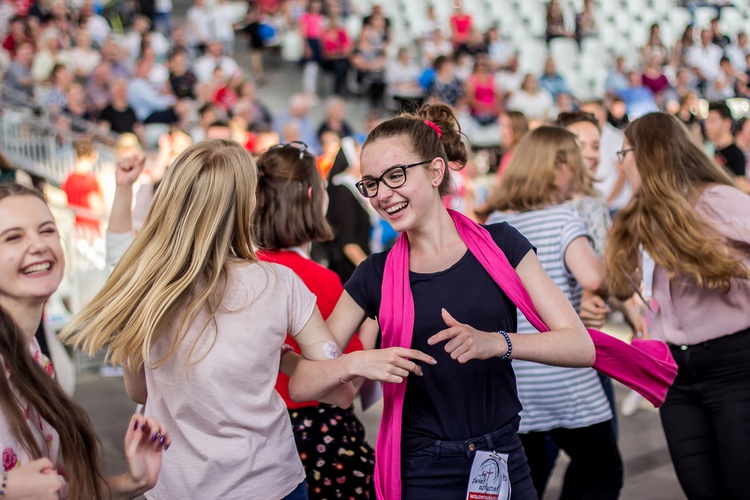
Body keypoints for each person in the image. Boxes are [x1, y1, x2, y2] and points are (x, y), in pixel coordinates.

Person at [321, 103, 597, 499]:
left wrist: (497, 342)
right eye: (371, 183)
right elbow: (308, 381)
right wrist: (356, 361)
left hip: (501, 457)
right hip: (422, 470)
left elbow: (579, 345)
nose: (382, 195)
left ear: (436, 171)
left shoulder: (503, 244)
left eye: (395, 176)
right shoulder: (375, 273)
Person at [62, 140, 360, 499]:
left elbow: (139, 391)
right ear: (246, 204)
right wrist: (297, 355)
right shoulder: (279, 283)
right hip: (268, 483)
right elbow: (338, 389)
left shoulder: (142, 284)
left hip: (173, 483)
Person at [604, 112, 750, 500]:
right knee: (700, 491)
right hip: (675, 376)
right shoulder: (643, 215)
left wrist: (727, 266)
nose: (621, 163)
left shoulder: (717, 200)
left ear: (648, 153)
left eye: (624, 153)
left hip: (734, 368)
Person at [0, 182, 169, 500]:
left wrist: (132, 482)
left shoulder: (33, 357)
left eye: (47, 230)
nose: (38, 245)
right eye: (13, 237)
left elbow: (52, 491)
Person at [484, 126, 623, 499]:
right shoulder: (563, 217)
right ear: (556, 167)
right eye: (574, 167)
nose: (578, 176)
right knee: (602, 471)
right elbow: (594, 275)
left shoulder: (495, 221)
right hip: (566, 377)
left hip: (518, 376)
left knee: (526, 479)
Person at [253, 143, 376, 499]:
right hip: (316, 433)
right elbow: (345, 379)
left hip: (255, 434)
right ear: (312, 195)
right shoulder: (317, 279)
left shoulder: (245, 271)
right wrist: (370, 328)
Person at [706, 100, 747, 182]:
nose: (708, 126)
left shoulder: (736, 155)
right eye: (707, 122)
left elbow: (740, 185)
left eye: (713, 121)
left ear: (727, 123)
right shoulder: (716, 149)